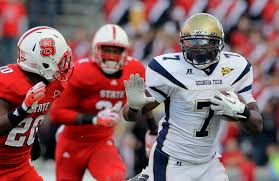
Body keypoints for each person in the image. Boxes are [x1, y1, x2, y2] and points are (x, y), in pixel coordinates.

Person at [123, 13, 263, 181]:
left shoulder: (236, 67)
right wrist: (133, 107)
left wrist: (243, 111)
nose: (199, 49)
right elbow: (132, 115)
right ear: (182, 42)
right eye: (193, 42)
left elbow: (257, 125)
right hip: (173, 162)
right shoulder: (169, 69)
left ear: (219, 43)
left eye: (205, 42)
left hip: (209, 162)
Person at [49, 24, 157, 181]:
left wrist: (153, 128)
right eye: (107, 50)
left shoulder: (134, 69)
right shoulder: (80, 71)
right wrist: (94, 118)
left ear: (125, 52)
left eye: (116, 51)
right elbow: (57, 114)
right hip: (72, 142)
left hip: (101, 141)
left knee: (114, 177)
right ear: (96, 49)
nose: (111, 56)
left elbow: (144, 100)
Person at [0, 26, 73, 180]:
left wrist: (34, 139)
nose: (64, 65)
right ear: (44, 63)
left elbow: (34, 117)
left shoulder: (53, 84)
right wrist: (23, 109)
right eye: (60, 60)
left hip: (20, 166)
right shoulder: (7, 83)